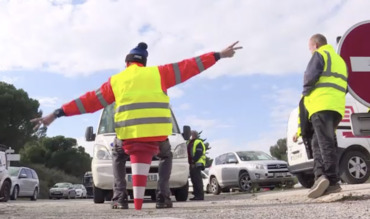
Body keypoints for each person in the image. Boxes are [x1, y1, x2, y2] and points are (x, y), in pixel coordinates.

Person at [31, 41, 242, 209]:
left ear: (127, 63)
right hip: (157, 137)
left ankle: (120, 198)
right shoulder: (159, 73)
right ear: (144, 62)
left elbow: (88, 101)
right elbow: (190, 66)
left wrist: (57, 113)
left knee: (117, 155)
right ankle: (162, 197)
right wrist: (219, 55)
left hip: (128, 138)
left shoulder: (116, 80)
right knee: (167, 155)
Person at [298, 34, 347, 199]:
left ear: (316, 45)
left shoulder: (320, 54)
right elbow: (346, 85)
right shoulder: (340, 61)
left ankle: (332, 181)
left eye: (310, 48)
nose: (310, 51)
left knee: (325, 143)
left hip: (321, 104)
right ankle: (320, 178)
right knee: (318, 142)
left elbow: (310, 77)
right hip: (337, 107)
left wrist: (305, 95)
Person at [187, 130, 206, 201]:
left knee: (197, 180)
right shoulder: (189, 142)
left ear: (193, 135)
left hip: (197, 164)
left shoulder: (198, 142)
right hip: (192, 164)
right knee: (194, 180)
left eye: (190, 134)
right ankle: (196, 195)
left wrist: (193, 161)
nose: (189, 136)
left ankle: (200, 196)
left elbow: (198, 153)